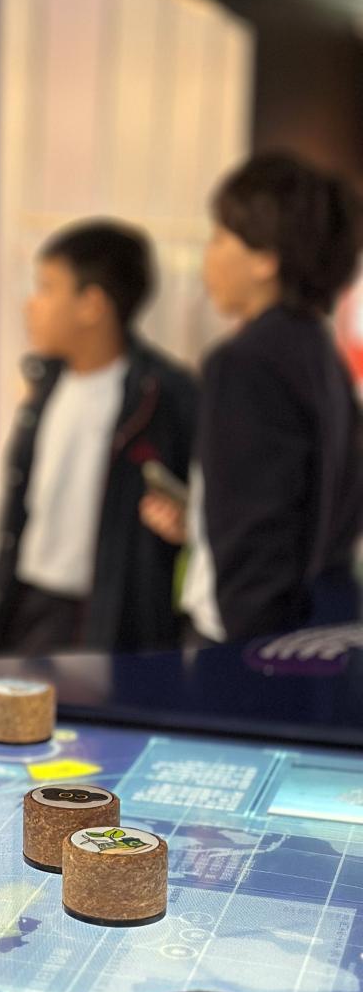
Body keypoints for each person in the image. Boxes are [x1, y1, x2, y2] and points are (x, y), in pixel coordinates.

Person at [141, 152, 363, 644]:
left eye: (221, 237)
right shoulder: (320, 353)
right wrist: (203, 521)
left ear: (265, 259)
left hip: (243, 646)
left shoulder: (246, 362)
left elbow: (259, 551)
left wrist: (252, 661)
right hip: (313, 631)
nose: (210, 256)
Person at [0, 220, 197, 657]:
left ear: (91, 305)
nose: (31, 305)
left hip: (111, 615)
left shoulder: (164, 395)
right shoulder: (45, 383)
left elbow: (192, 506)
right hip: (30, 601)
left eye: (46, 288)